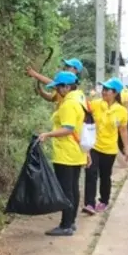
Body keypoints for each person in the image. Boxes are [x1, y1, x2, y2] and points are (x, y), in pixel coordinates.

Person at [37, 71, 88, 236]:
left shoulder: (68, 104)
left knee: (66, 189)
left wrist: (47, 134)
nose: (57, 91)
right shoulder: (80, 99)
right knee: (73, 188)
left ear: (67, 87)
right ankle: (71, 222)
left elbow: (68, 128)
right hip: (76, 151)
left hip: (66, 152)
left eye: (58, 88)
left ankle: (66, 225)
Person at [83, 78, 128, 214]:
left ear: (115, 93)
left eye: (107, 90)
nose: (104, 92)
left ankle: (104, 201)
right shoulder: (95, 104)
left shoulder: (121, 111)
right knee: (90, 172)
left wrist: (127, 149)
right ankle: (89, 204)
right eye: (103, 89)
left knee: (105, 176)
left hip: (109, 149)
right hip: (94, 146)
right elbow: (82, 108)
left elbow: (123, 130)